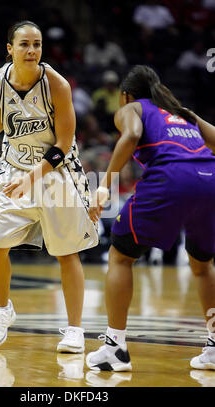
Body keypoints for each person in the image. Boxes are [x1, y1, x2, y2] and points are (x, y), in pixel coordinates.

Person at [0, 21, 98, 351]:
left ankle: (74, 330)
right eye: (25, 44)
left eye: (37, 45)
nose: (32, 50)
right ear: (10, 49)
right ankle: (2, 310)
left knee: (66, 254)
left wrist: (34, 177)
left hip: (56, 171)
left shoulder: (56, 84)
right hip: (12, 167)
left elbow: (65, 142)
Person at [86, 65, 215, 371]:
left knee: (120, 256)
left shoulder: (133, 107)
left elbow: (130, 135)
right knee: (202, 264)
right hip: (210, 178)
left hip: (170, 178)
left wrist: (104, 186)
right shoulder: (182, 112)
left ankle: (114, 348)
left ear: (125, 94)